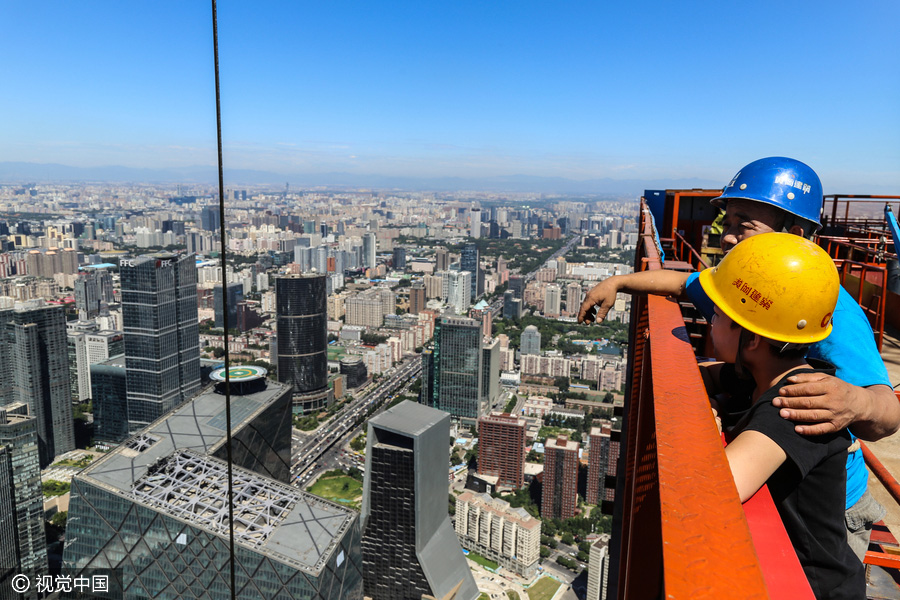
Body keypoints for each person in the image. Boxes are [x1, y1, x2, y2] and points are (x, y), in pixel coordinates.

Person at [577, 157, 898, 559]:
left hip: (830, 513)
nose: (727, 238)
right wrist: (619, 282)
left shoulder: (825, 307)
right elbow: (682, 283)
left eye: (744, 224)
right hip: (778, 475)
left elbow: (887, 413)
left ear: (793, 233)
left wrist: (856, 402)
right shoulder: (754, 286)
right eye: (726, 224)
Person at [697, 233, 863, 598]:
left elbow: (720, 485)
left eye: (721, 315)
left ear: (752, 340)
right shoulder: (761, 373)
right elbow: (704, 373)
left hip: (812, 587)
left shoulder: (797, 403)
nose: (711, 320)